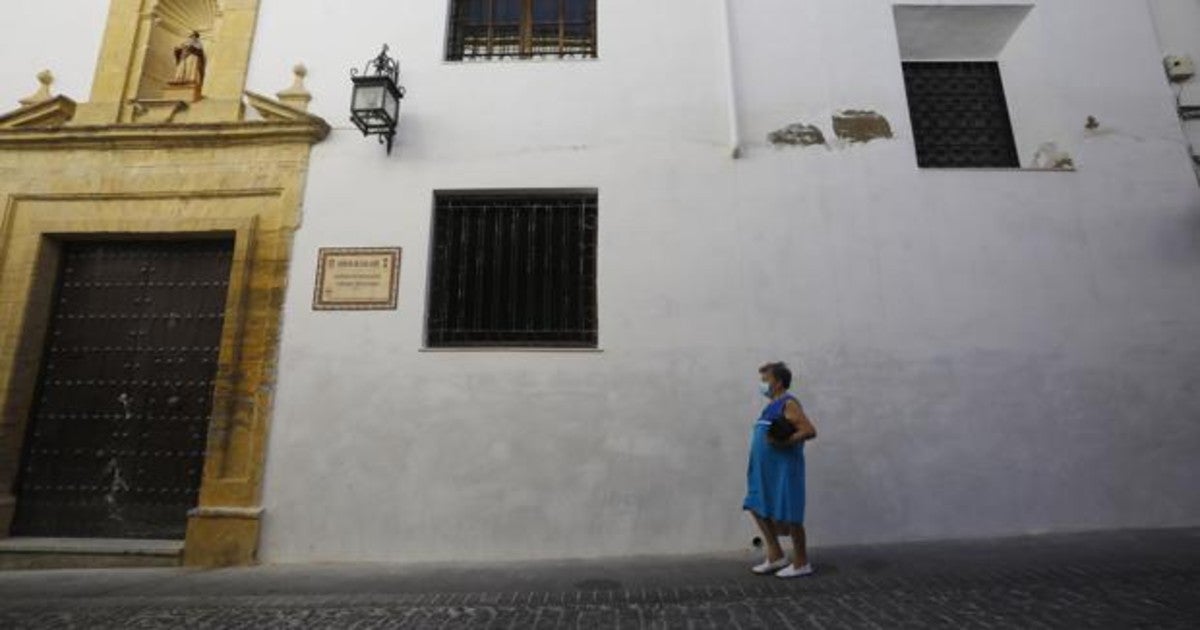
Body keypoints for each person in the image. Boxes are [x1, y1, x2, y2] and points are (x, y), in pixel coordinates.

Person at [743, 361, 818, 578]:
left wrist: (786, 443)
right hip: (764, 471)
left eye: (765, 380)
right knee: (755, 504)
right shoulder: (770, 407)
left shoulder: (788, 403)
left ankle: (802, 562)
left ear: (778, 382)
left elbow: (809, 430)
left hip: (784, 468)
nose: (762, 384)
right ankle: (776, 556)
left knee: (791, 513)